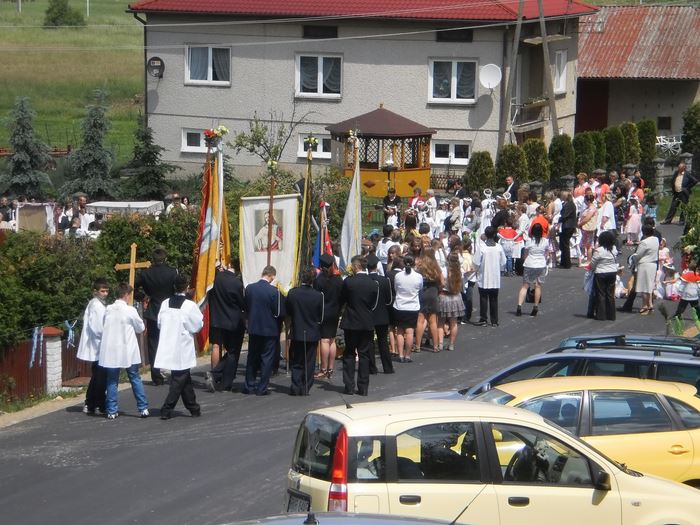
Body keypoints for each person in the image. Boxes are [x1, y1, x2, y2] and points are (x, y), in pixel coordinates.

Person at [155, 276, 204, 419]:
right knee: (179, 378)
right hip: (182, 345)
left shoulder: (165, 303)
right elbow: (196, 325)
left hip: (168, 343)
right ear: (187, 287)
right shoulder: (189, 305)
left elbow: (159, 323)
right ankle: (167, 409)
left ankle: (193, 407)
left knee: (183, 377)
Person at [99, 283, 149, 420]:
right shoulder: (130, 310)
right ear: (126, 295)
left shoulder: (108, 309)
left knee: (112, 380)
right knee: (134, 377)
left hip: (112, 349)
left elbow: (103, 325)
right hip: (127, 349)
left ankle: (111, 410)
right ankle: (143, 408)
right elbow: (140, 327)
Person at [135, 247, 178, 385]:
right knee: (172, 342)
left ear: (153, 259)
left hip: (153, 310)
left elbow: (133, 287)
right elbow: (177, 289)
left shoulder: (146, 273)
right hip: (170, 310)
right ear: (165, 258)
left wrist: (142, 297)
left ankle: (156, 376)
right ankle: (176, 373)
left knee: (153, 344)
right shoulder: (173, 272)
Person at [339, 256, 379, 396]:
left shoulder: (348, 282)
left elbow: (342, 299)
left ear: (356, 266)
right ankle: (363, 387)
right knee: (364, 355)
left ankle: (349, 386)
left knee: (349, 354)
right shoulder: (373, 283)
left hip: (351, 322)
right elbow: (373, 304)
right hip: (366, 322)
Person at [205, 258, 246, 393]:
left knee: (229, 352)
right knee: (233, 352)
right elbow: (242, 303)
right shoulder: (237, 283)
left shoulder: (216, 279)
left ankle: (221, 378)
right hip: (233, 322)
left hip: (218, 320)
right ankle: (221, 378)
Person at [243, 265, 284, 396]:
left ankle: (249, 386)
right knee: (267, 359)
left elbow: (246, 307)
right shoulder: (274, 292)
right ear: (271, 275)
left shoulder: (250, 288)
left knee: (252, 357)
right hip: (269, 329)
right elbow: (278, 312)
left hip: (254, 328)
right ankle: (262, 388)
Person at [286, 267, 324, 396]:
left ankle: (296, 386)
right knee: (310, 361)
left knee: (297, 360)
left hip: (297, 330)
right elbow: (320, 317)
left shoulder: (293, 293)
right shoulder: (318, 295)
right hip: (312, 332)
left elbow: (288, 311)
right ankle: (306, 387)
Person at [76, 278, 109, 415]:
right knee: (100, 376)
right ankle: (97, 403)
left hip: (98, 345)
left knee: (98, 375)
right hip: (98, 345)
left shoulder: (98, 304)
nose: (105, 294)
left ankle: (92, 403)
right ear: (95, 291)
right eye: (102, 291)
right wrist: (108, 335)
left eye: (106, 291)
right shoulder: (96, 305)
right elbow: (97, 327)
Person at [314, 254, 343, 380]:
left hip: (323, 312)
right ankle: (330, 368)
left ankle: (324, 369)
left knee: (324, 340)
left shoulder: (319, 280)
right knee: (332, 340)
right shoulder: (338, 279)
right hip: (335, 312)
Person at [367, 254, 394, 374]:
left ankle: (372, 368)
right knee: (383, 342)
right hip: (382, 314)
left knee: (369, 342)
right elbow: (389, 300)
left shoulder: (365, 281)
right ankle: (388, 367)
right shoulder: (384, 280)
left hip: (368, 314)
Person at [474, 226, 506, 326]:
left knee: (483, 298)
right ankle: (494, 320)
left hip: (484, 276)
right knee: (494, 299)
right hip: (495, 277)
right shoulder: (499, 247)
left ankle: (483, 319)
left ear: (486, 235)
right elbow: (503, 262)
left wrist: (477, 270)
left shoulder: (482, 248)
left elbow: (476, 262)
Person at [393, 254, 422, 363]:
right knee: (410, 332)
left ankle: (400, 355)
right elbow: (420, 288)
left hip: (399, 305)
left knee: (400, 331)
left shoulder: (398, 275)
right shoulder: (418, 276)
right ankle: (408, 356)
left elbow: (396, 288)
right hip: (412, 306)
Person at [516, 223, 548, 317]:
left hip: (530, 263)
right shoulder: (545, 241)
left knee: (525, 286)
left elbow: (525, 253)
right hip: (540, 264)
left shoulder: (529, 240)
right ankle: (535, 306)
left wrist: (525, 260)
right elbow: (546, 253)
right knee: (537, 286)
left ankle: (519, 306)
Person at [415, 248, 443, 353]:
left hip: (422, 292)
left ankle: (417, 345)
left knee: (420, 320)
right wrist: (438, 289)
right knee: (433, 321)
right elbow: (442, 282)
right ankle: (435, 346)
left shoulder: (420, 267)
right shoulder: (436, 267)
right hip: (433, 292)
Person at [439, 253, 465, 351]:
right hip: (456, 296)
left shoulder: (443, 270)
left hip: (444, 296)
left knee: (441, 322)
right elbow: (462, 285)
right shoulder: (460, 271)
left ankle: (440, 343)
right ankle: (451, 344)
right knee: (453, 322)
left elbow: (441, 284)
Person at [589, 230, 618, 321]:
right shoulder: (614, 249)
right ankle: (611, 315)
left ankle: (601, 315)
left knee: (601, 294)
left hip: (601, 273)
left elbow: (593, 263)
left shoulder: (599, 250)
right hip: (612, 272)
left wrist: (591, 269)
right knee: (610, 294)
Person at [632, 224, 660, 315]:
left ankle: (645, 306)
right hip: (653, 264)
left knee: (644, 286)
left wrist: (632, 259)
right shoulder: (656, 239)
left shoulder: (644, 242)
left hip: (645, 265)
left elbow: (638, 254)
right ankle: (650, 304)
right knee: (649, 285)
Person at [578, 194, 598, 267]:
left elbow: (587, 218)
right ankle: (586, 259)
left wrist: (579, 224)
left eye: (585, 200)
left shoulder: (591, 209)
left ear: (588, 201)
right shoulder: (588, 208)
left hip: (589, 228)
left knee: (589, 245)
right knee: (586, 244)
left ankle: (589, 261)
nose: (584, 202)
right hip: (585, 228)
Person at [558, 191, 577, 269]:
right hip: (566, 225)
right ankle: (563, 261)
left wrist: (559, 219)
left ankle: (567, 263)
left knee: (565, 244)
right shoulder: (566, 204)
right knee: (563, 244)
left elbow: (565, 215)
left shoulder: (570, 204)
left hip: (568, 226)